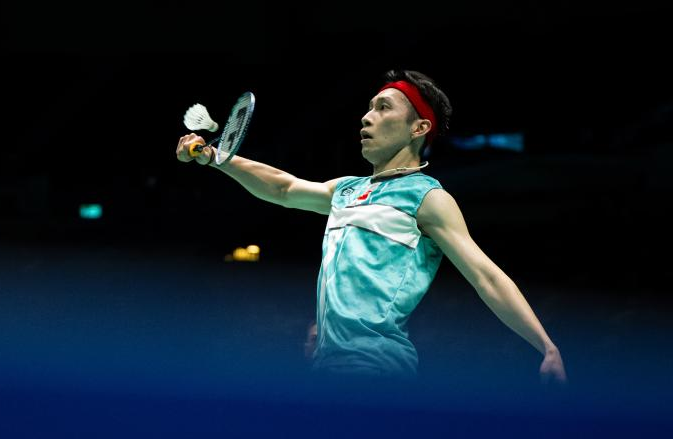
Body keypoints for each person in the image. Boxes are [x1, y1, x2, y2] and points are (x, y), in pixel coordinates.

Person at [175, 69, 567, 383]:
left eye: (383, 108)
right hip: (328, 368)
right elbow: (283, 188)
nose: (366, 117)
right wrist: (216, 157)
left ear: (418, 128)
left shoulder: (427, 197)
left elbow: (486, 276)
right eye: (368, 108)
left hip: (375, 367)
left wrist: (546, 346)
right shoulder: (346, 190)